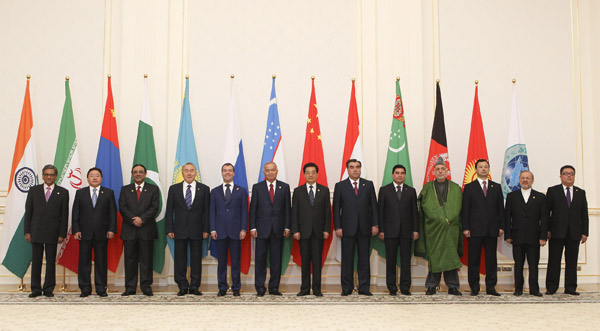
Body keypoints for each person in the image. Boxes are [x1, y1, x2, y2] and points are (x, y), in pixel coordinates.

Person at [415, 158, 463, 296]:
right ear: (434, 172)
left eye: (443, 169)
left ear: (447, 171)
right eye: (437, 169)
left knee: (450, 257)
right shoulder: (428, 188)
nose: (440, 171)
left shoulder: (455, 188)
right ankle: (431, 286)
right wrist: (441, 219)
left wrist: (449, 219)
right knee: (435, 257)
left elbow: (458, 207)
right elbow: (424, 206)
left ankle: (453, 286)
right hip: (434, 229)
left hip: (451, 228)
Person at [333, 159, 378, 296]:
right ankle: (346, 288)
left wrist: (375, 224)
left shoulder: (368, 185)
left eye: (357, 167)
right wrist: (338, 227)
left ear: (360, 169)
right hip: (347, 229)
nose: (355, 169)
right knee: (347, 260)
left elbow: (373, 206)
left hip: (365, 228)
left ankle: (364, 288)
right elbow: (336, 208)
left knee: (364, 259)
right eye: (352, 167)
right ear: (347, 169)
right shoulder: (340, 186)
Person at [24, 164, 69, 298]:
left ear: (55, 176)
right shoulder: (34, 190)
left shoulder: (63, 192)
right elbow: (28, 213)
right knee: (36, 261)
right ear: (43, 176)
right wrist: (27, 231)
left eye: (51, 175)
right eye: (46, 174)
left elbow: (64, 215)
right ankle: (35, 289)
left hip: (53, 232)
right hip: (36, 230)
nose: (49, 177)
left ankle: (49, 288)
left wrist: (62, 234)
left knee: (50, 262)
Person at [166, 162, 210, 296]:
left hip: (198, 230)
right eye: (186, 171)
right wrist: (169, 228)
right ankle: (182, 286)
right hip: (179, 230)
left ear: (196, 172)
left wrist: (206, 229)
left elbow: (207, 212)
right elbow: (169, 211)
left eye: (192, 170)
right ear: (182, 173)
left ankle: (195, 286)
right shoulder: (174, 189)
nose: (189, 173)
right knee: (180, 259)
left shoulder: (204, 189)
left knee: (196, 259)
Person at [462, 159, 504, 296]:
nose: (483, 169)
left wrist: (501, 227)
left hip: (492, 230)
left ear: (489, 169)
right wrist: (466, 228)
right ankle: (474, 288)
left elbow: (500, 210)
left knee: (491, 260)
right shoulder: (469, 188)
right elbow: (465, 210)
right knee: (474, 260)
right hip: (474, 230)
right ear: (476, 170)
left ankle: (491, 287)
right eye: (480, 167)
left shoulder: (496, 187)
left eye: (486, 167)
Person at [72, 167, 117, 297]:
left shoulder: (108, 193)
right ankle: (85, 288)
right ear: (87, 178)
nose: (95, 177)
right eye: (92, 175)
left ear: (101, 178)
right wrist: (76, 230)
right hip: (84, 233)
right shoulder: (80, 193)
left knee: (101, 262)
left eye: (97, 175)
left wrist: (111, 229)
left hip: (102, 232)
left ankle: (101, 288)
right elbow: (76, 213)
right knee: (84, 262)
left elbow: (112, 213)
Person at [545, 165, 589, 295]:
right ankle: (551, 287)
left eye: (571, 174)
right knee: (554, 260)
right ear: (561, 176)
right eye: (566, 173)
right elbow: (546, 212)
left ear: (574, 176)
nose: (569, 176)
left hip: (574, 233)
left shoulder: (580, 193)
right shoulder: (553, 191)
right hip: (556, 232)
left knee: (572, 261)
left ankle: (570, 288)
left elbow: (584, 214)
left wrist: (585, 232)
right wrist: (546, 230)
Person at [250, 162, 291, 296]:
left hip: (278, 229)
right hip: (261, 229)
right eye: (267, 170)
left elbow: (287, 210)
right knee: (260, 260)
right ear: (264, 172)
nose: (270, 172)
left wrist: (287, 226)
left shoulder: (284, 187)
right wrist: (253, 227)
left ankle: (274, 288)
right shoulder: (257, 187)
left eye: (272, 170)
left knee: (276, 261)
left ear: (277, 171)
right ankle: (260, 288)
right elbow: (253, 209)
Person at [504, 170, 548, 296]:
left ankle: (534, 289)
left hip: (535, 238)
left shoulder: (540, 197)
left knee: (534, 265)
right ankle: (518, 289)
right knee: (518, 265)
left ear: (532, 180)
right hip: (517, 237)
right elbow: (508, 217)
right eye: (523, 178)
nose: (525, 180)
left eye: (528, 178)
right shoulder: (512, 196)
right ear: (519, 180)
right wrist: (508, 235)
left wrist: (543, 236)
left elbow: (544, 219)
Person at [377, 164, 419, 296]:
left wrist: (416, 230)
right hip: (389, 231)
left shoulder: (411, 191)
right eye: (397, 173)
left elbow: (414, 212)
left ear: (405, 175)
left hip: (407, 232)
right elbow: (380, 212)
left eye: (402, 173)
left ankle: (405, 287)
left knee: (406, 261)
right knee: (391, 261)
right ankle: (392, 287)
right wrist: (381, 230)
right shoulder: (384, 190)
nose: (400, 175)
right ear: (393, 174)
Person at [119, 164, 159, 296]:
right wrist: (133, 219)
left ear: (145, 174)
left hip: (146, 229)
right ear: (132, 174)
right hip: (129, 230)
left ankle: (146, 286)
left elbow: (155, 207)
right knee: (130, 260)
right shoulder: (125, 189)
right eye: (135, 172)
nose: (138, 174)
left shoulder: (153, 189)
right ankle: (130, 287)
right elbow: (122, 207)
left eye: (141, 172)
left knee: (146, 260)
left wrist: (142, 219)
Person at [291, 162, 331, 297]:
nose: (311, 175)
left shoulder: (324, 190)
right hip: (303, 232)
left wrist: (327, 229)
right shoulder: (298, 191)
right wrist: (295, 230)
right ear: (304, 174)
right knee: (305, 261)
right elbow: (294, 212)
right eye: (308, 172)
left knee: (317, 261)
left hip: (319, 232)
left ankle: (317, 289)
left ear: (317, 174)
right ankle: (305, 288)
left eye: (313, 172)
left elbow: (327, 212)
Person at [210, 163, 248, 297]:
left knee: (236, 261)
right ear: (222, 173)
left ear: (234, 173)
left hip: (236, 231)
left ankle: (236, 287)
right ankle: (222, 287)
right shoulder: (214, 191)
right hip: (219, 231)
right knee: (222, 262)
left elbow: (244, 211)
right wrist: (212, 229)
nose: (227, 173)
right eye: (225, 171)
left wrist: (244, 228)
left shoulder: (241, 191)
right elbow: (212, 212)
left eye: (230, 171)